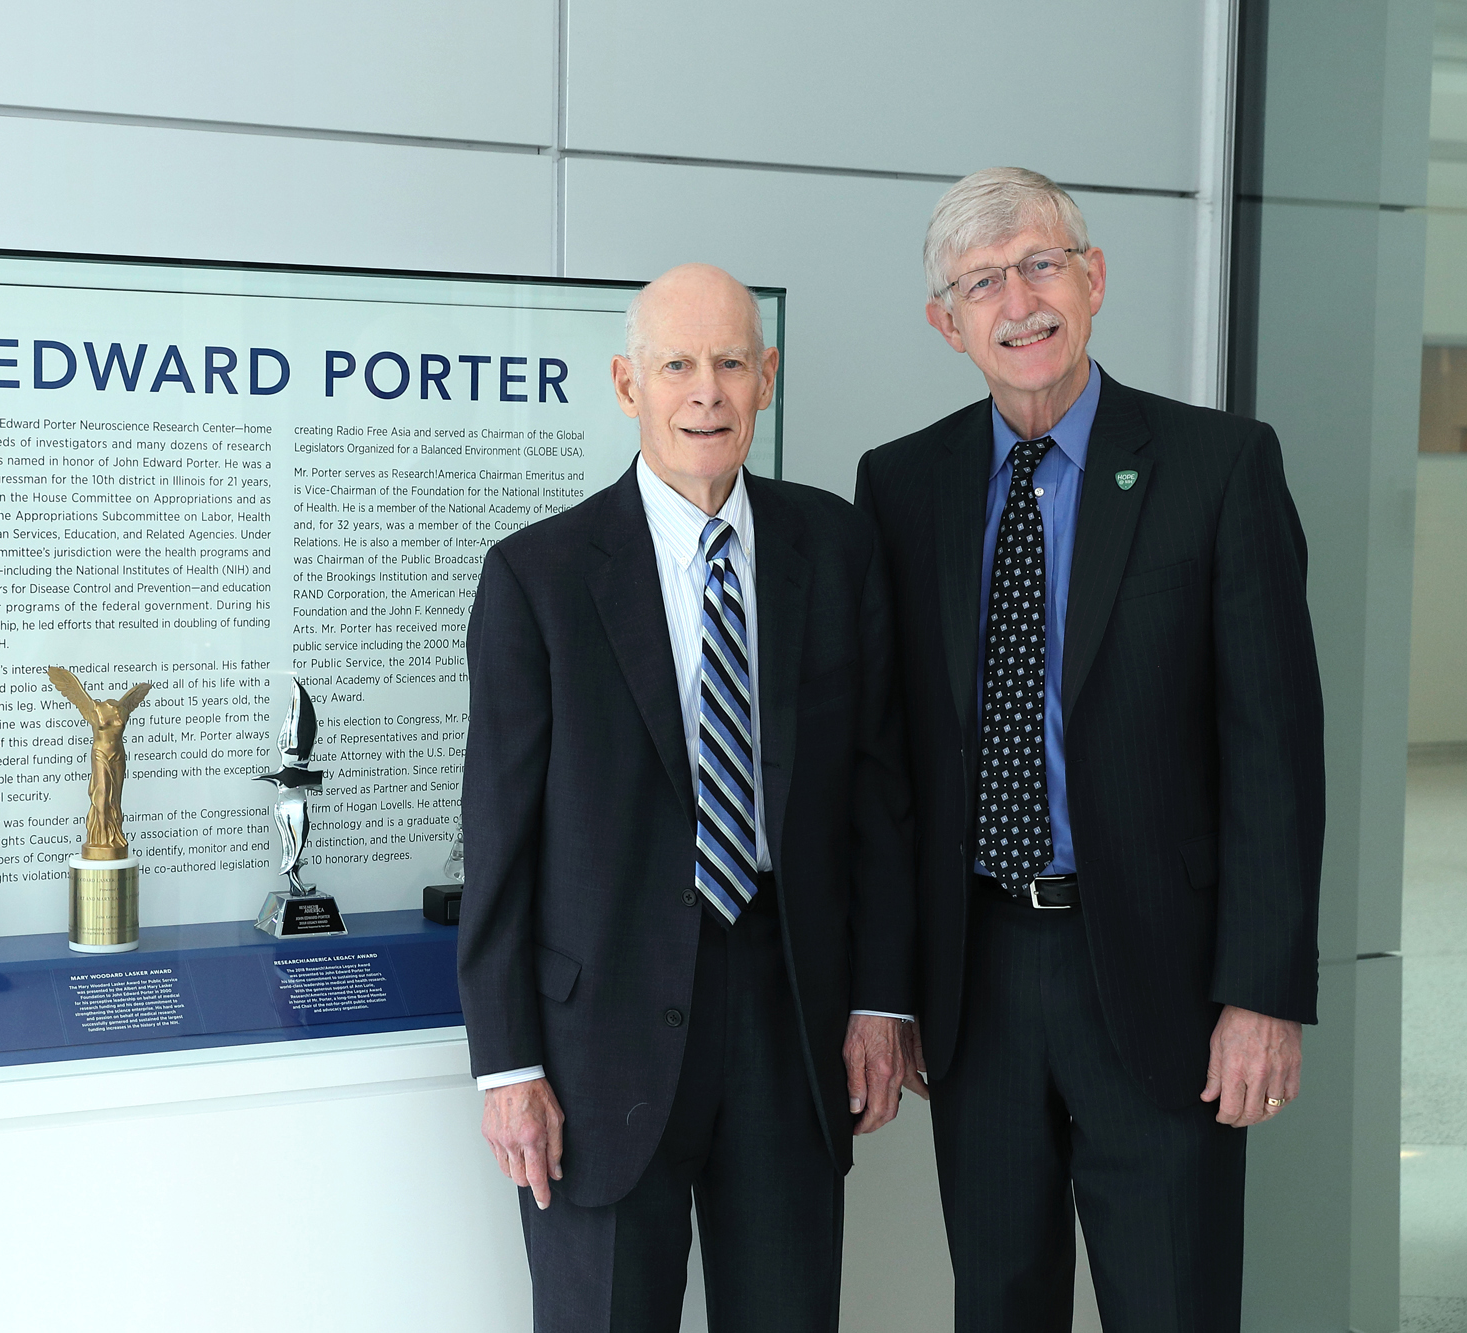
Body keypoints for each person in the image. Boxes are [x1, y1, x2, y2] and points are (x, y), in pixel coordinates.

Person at [855, 168, 1325, 1332]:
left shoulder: (1218, 468)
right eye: (980, 282)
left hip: (1161, 983)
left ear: (1092, 277)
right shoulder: (898, 486)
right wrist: (885, 984)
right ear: (944, 322)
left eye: (1039, 263)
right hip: (976, 975)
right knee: (999, 1299)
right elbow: (882, 767)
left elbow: (1275, 746)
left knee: (1170, 1301)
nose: (1017, 299)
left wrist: (1259, 991)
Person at [460, 263, 916, 1331]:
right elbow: (498, 838)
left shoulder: (835, 548)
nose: (703, 391)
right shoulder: (537, 577)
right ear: (628, 385)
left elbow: (876, 798)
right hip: (594, 1044)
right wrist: (507, 1064)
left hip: (787, 1014)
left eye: (727, 363)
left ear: (765, 377)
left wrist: (880, 999)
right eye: (676, 364)